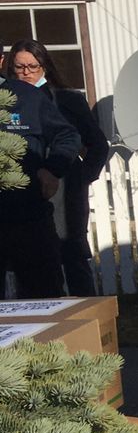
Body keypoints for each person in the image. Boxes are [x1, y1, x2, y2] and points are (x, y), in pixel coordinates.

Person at [2, 41, 111, 296]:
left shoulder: (67, 99)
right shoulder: (10, 100)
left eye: (32, 66)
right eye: (19, 67)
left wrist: (81, 177)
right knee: (30, 266)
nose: (26, 72)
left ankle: (86, 318)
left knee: (71, 255)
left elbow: (96, 145)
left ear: (44, 66)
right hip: (26, 196)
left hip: (64, 192)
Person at [0, 46, 81, 297]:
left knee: (44, 297)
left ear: (1, 59)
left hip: (28, 216)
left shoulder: (26, 96)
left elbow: (67, 135)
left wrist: (52, 169)